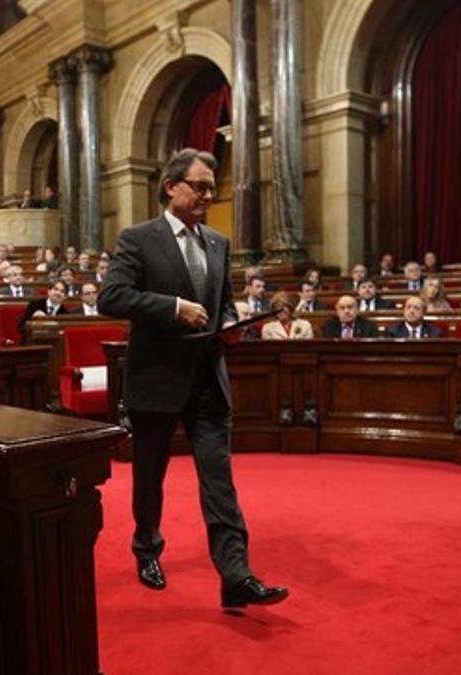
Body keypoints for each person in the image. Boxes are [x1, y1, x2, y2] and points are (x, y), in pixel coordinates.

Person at [97, 148, 288, 608]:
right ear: (171, 186)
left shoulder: (219, 244)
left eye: (211, 186)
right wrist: (172, 308)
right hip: (157, 379)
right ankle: (147, 549)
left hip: (208, 379)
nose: (209, 194)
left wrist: (229, 328)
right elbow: (112, 297)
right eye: (200, 186)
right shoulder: (138, 238)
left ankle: (235, 573)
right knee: (150, 476)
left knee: (219, 478)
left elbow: (221, 302)